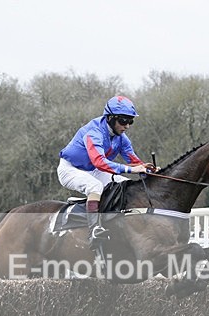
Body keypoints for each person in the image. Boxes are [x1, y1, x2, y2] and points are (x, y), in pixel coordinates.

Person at [57, 95, 154, 247]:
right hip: (70, 169)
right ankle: (94, 229)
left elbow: (134, 161)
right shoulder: (93, 132)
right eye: (123, 120)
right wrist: (132, 169)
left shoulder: (121, 138)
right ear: (110, 118)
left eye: (130, 121)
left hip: (93, 169)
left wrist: (149, 170)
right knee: (95, 187)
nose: (127, 126)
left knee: (125, 184)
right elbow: (99, 161)